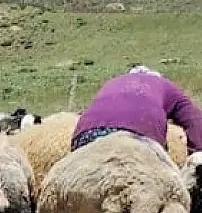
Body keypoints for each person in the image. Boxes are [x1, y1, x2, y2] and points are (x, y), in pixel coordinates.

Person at [71, 64, 202, 156]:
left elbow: (92, 111)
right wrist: (197, 154)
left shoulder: (113, 82)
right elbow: (194, 120)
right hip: (138, 138)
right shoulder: (167, 86)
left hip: (87, 136)